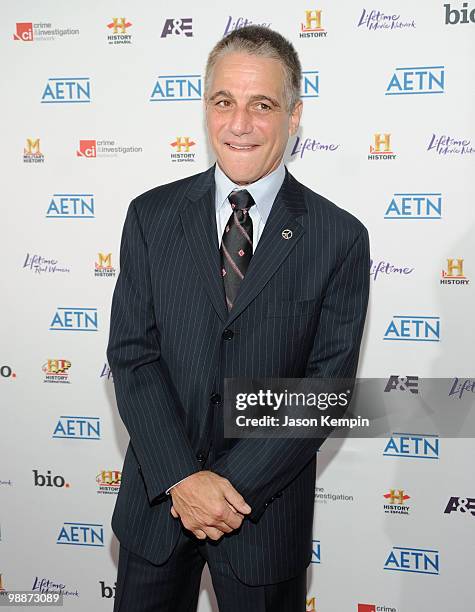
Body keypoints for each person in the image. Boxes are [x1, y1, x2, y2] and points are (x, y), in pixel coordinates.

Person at [106, 25, 370, 612]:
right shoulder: (150, 216)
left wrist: (227, 492)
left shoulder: (339, 237)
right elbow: (132, 356)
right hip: (157, 507)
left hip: (263, 520)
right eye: (224, 102)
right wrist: (182, 479)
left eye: (262, 105)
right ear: (206, 109)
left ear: (295, 115)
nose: (239, 124)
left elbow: (323, 391)